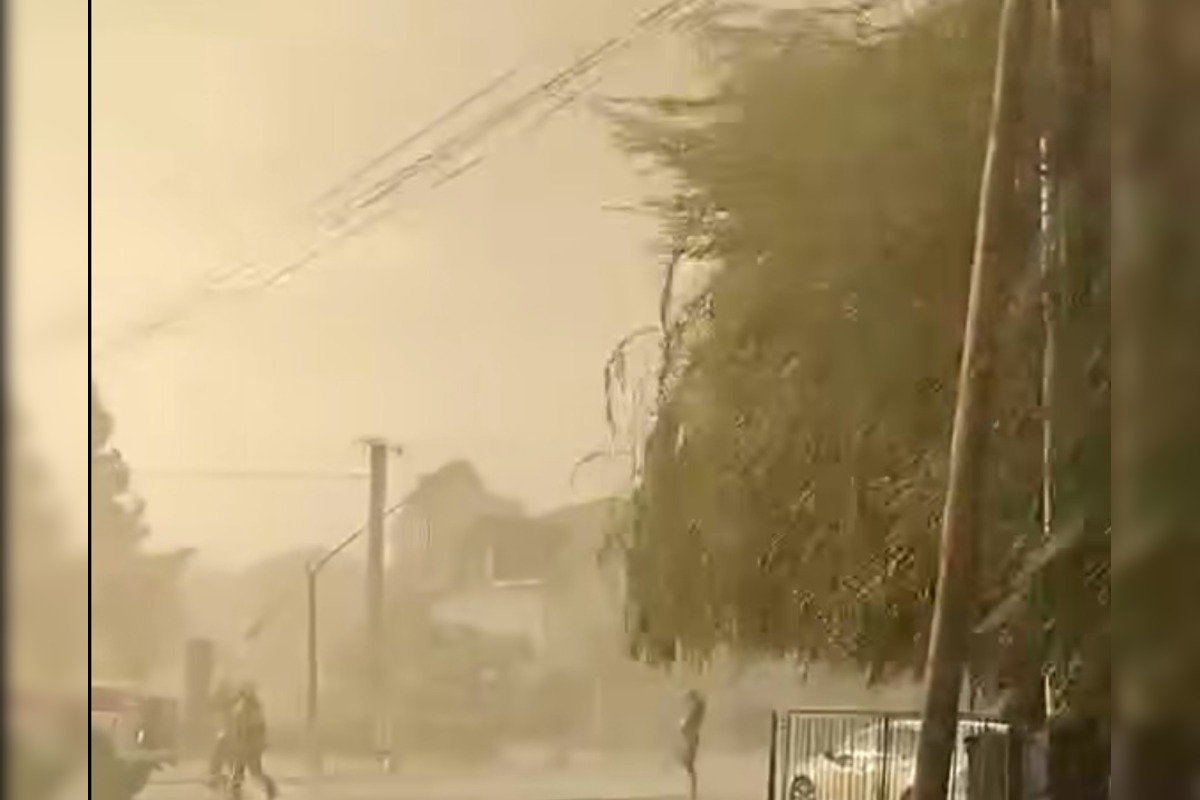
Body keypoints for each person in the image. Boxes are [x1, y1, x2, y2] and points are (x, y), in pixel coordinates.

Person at [227, 685, 278, 800]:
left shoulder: (245, 709)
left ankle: (269, 787)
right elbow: (260, 728)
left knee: (252, 770)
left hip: (248, 745)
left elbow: (244, 728)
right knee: (243, 769)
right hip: (253, 745)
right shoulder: (255, 709)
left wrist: (241, 741)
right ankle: (236, 791)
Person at [678, 689, 707, 800]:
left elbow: (687, 729)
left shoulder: (689, 733)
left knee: (691, 770)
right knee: (691, 770)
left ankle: (693, 794)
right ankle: (693, 794)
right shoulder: (690, 735)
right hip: (692, 735)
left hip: (692, 735)